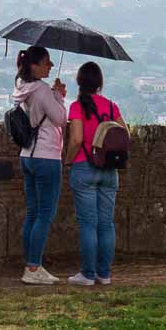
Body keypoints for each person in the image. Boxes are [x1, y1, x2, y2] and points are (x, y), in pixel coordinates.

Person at [64, 61, 124, 286]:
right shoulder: (111, 107)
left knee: (88, 224)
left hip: (84, 167)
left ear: (79, 82)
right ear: (100, 83)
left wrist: (68, 161)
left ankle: (88, 275)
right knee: (106, 224)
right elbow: (124, 134)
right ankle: (104, 273)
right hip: (109, 169)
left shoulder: (77, 107)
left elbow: (77, 139)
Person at [11, 45, 67, 285]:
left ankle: (31, 264)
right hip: (46, 156)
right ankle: (33, 268)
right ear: (34, 66)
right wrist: (59, 96)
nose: (51, 65)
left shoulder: (21, 87)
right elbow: (61, 120)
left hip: (27, 155)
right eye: (46, 62)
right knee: (45, 214)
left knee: (33, 212)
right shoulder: (42, 91)